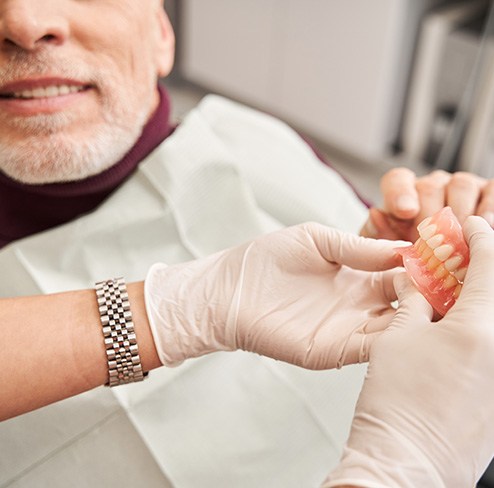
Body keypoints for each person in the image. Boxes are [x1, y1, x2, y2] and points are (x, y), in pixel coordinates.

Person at [0, 0, 493, 486]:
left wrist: (433, 267)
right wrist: (405, 467)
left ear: (162, 35)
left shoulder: (251, 141)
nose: (24, 22)